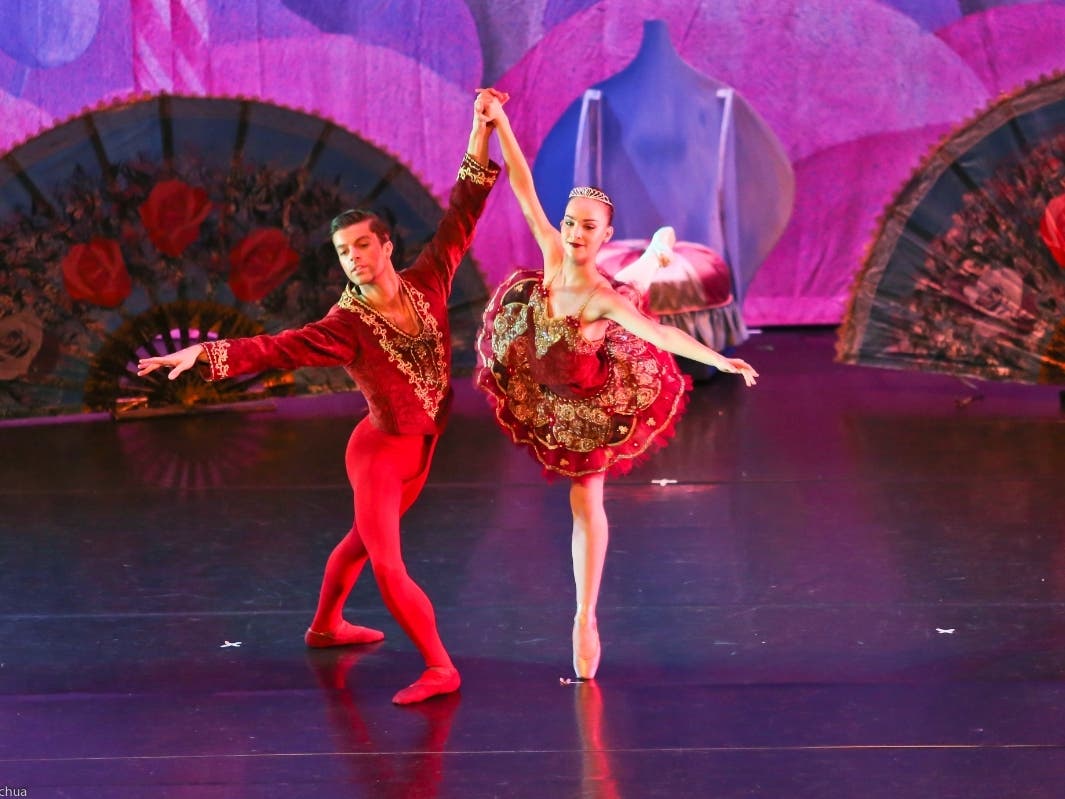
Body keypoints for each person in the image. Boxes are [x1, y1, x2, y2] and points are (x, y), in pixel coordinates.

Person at [137, 92, 501, 704]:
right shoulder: (346, 323)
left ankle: (327, 627)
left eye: (362, 245)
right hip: (380, 453)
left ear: (386, 246)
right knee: (386, 562)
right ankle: (441, 667)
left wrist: (479, 129)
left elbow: (464, 208)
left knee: (357, 542)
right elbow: (277, 348)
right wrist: (204, 354)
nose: (353, 258)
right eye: (342, 252)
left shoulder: (430, 278)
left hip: (422, 450)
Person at [473, 90, 758, 680]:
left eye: (589, 227)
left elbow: (662, 338)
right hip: (547, 373)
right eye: (571, 222)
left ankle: (585, 615)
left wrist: (720, 360)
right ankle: (652, 257)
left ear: (606, 235)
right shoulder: (552, 256)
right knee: (630, 287)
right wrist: (500, 122)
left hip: (589, 395)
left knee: (585, 499)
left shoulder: (601, 296)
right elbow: (522, 187)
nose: (575, 232)